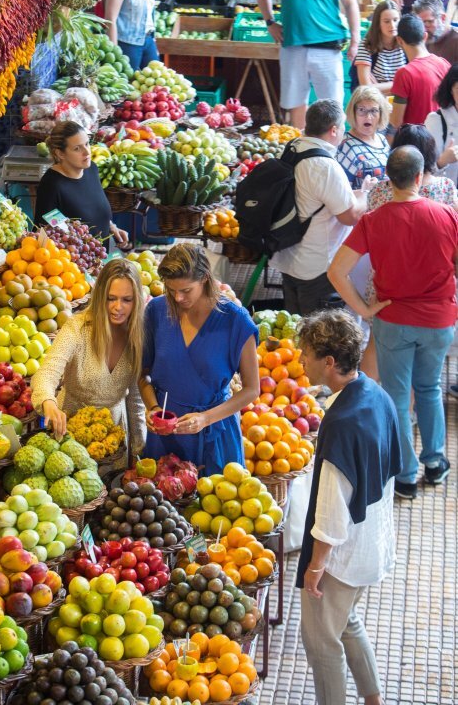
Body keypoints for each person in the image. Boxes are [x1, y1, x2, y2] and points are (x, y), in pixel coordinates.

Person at [328, 145, 458, 499]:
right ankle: (435, 463)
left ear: (389, 178)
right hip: (439, 320)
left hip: (393, 319)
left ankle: (404, 475)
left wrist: (364, 309)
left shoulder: (374, 220)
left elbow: (336, 270)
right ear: (420, 177)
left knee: (398, 396)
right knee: (430, 388)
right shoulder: (448, 215)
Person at [296, 309, 401, 705]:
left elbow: (332, 514)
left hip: (343, 556)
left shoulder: (340, 424)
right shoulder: (375, 392)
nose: (300, 361)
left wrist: (316, 567)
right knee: (348, 624)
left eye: (305, 354)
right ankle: (372, 698)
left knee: (322, 644)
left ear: (328, 362)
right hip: (374, 540)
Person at [139, 243, 259, 475]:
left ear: (204, 278)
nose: (178, 297)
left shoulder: (236, 321)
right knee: (162, 507)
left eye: (186, 290)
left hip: (214, 433)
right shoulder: (156, 311)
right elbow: (142, 373)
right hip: (165, 435)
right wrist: (153, 407)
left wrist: (205, 418)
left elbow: (252, 390)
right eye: (171, 289)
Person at [358, 124, 458, 380]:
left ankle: (367, 397)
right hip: (432, 286)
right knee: (419, 362)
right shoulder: (445, 188)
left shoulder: (380, 190)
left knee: (375, 343)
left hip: (385, 283)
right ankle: (410, 414)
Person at [31, 258, 146, 456]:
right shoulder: (77, 328)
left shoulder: (137, 334)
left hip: (111, 438)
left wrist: (138, 446)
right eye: (111, 298)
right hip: (68, 432)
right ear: (100, 295)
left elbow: (136, 398)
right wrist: (48, 402)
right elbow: (48, 371)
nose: (118, 307)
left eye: (127, 300)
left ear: (136, 300)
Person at [257, 0, 360, 130]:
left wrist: (355, 40)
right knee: (296, 103)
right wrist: (270, 22)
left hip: (328, 47)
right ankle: (301, 148)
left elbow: (350, 4)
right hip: (293, 45)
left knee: (332, 105)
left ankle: (332, 152)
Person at [269, 99, 366, 315]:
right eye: (343, 127)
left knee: (295, 329)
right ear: (333, 130)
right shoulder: (325, 166)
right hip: (317, 265)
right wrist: (367, 195)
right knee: (319, 338)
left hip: (288, 255)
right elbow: (349, 216)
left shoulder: (293, 147)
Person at [34, 121, 128, 246]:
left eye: (87, 144)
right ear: (60, 153)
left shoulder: (91, 169)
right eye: (77, 148)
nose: (87, 152)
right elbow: (43, 234)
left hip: (99, 258)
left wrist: (112, 227)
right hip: (72, 262)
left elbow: (96, 211)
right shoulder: (52, 185)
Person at [387, 14, 450, 142]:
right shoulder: (444, 64)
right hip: (443, 139)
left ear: (399, 40)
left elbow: (396, 121)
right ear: (425, 36)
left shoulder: (404, 73)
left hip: (415, 143)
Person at [105, 0, 159, 71]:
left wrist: (153, 41)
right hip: (128, 44)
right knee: (128, 83)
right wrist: (114, 54)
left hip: (148, 40)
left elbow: (149, 15)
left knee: (156, 82)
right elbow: (110, 19)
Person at [337, 86, 391, 189]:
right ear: (353, 112)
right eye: (362, 110)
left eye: (374, 111)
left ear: (381, 113)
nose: (368, 117)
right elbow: (342, 194)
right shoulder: (345, 145)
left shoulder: (382, 139)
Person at [351, 0, 406, 94]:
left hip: (401, 102)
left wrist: (377, 87)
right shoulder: (367, 45)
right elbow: (366, 88)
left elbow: (415, 81)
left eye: (395, 20)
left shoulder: (406, 43)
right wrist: (400, 84)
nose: (392, 25)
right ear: (378, 23)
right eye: (386, 21)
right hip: (376, 103)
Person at [425, 63, 458, 185]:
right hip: (446, 197)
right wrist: (443, 160)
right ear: (451, 91)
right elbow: (423, 171)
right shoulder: (437, 120)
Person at [412, 0, 458, 65]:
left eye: (429, 22)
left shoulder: (455, 40)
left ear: (443, 18)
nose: (424, 29)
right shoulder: (424, 40)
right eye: (420, 24)